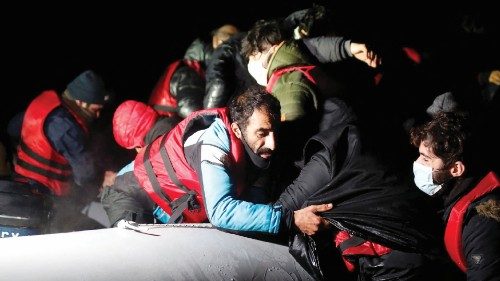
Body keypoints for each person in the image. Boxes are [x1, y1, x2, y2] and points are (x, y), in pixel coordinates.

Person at [269, 96, 451, 280]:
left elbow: (281, 210)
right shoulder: (380, 145)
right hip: (416, 256)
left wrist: (294, 219)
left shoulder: (327, 161)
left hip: (390, 260)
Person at [131, 87, 331, 234]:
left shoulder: (258, 146)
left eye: (275, 132)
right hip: (136, 193)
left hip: (174, 201)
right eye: (262, 133)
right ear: (236, 130)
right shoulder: (214, 145)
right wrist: (291, 219)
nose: (272, 143)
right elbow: (221, 211)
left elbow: (254, 202)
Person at [9, 69, 116, 233]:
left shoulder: (46, 106)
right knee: (93, 219)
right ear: (80, 102)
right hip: (45, 195)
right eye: (96, 109)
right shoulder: (65, 126)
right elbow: (85, 174)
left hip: (21, 184)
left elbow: (13, 128)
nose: (98, 114)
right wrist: (103, 177)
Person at [409, 111, 500, 280]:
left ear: (456, 169)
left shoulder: (482, 223)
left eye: (426, 159)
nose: (417, 164)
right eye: (419, 155)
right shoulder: (448, 194)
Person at [101, 100, 180, 226]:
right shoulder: (175, 124)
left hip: (190, 219)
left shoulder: (160, 146)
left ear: (137, 144)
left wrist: (119, 180)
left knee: (115, 188)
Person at [149, 24, 239, 118]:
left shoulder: (194, 68)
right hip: (165, 126)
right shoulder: (188, 72)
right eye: (230, 40)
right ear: (216, 41)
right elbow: (190, 112)